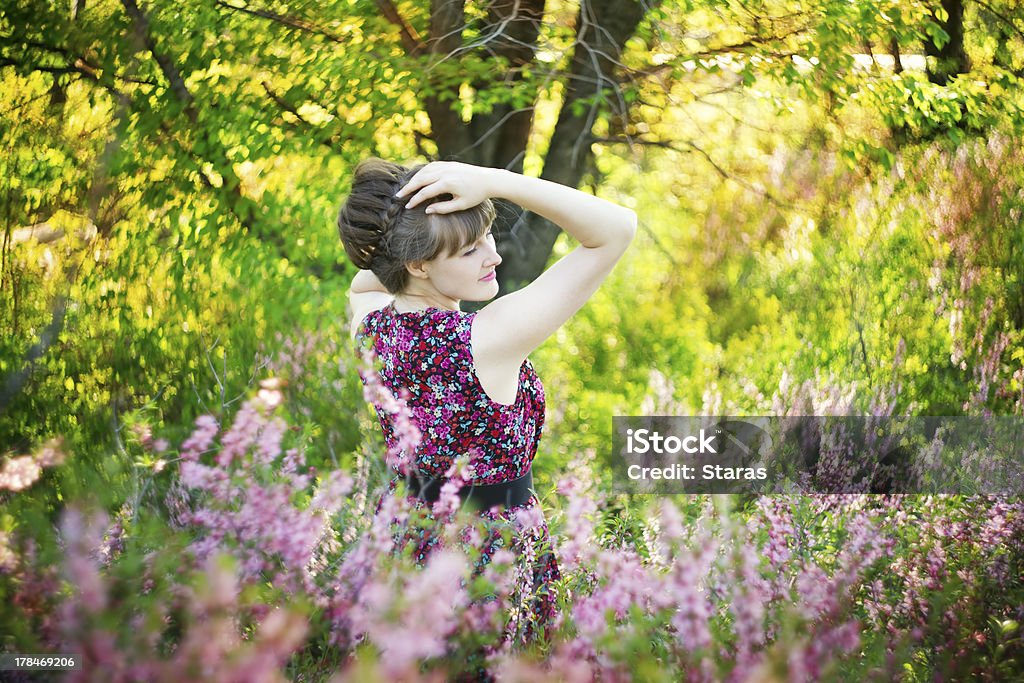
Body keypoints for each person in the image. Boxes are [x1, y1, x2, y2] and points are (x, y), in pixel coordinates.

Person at [337, 158, 636, 647]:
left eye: (489, 236)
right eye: (471, 249)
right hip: (484, 556)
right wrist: (494, 180)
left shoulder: (369, 321)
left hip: (403, 540)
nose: (493, 256)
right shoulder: (485, 340)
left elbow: (368, 280)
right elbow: (616, 229)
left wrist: (420, 243)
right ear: (418, 264)